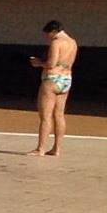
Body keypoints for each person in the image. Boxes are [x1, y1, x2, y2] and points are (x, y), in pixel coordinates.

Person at [28, 20, 79, 157]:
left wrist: (38, 63)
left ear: (53, 31)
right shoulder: (73, 42)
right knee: (59, 114)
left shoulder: (56, 42)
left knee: (45, 116)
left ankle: (41, 148)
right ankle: (57, 148)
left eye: (48, 34)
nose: (48, 37)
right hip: (66, 79)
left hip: (52, 79)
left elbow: (51, 64)